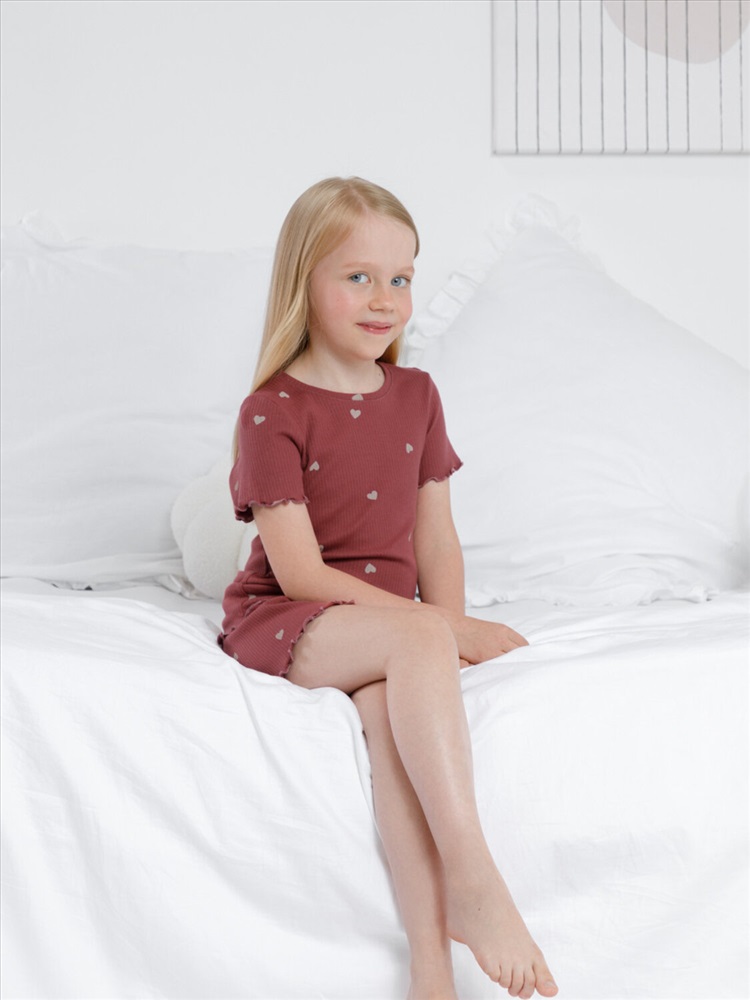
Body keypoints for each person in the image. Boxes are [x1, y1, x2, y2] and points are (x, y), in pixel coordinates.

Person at [219, 176, 559, 1000]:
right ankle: (475, 876)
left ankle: (430, 968)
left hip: (388, 630)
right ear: (304, 282)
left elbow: (435, 536)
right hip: (294, 616)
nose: (385, 300)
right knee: (415, 638)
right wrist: (444, 632)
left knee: (393, 738)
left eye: (401, 278)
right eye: (359, 277)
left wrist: (444, 628)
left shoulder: (416, 395)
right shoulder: (272, 411)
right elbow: (300, 573)